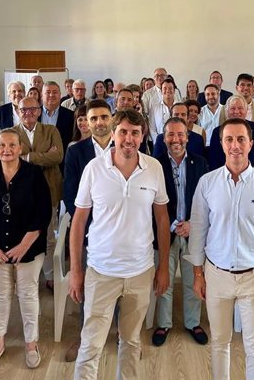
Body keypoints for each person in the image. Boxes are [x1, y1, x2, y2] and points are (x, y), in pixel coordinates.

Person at [69, 110, 171, 380]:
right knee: (91, 345)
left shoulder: (154, 168)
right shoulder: (94, 169)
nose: (129, 138)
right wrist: (77, 272)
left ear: (143, 135)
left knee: (131, 341)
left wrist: (163, 268)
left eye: (135, 133)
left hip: (140, 272)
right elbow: (78, 222)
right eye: (123, 132)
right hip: (101, 271)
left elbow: (162, 220)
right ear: (113, 134)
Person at [187, 118, 254, 380]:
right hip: (216, 276)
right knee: (220, 341)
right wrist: (198, 274)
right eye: (229, 140)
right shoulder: (207, 183)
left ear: (251, 143)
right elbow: (198, 230)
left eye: (241, 139)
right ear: (221, 144)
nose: (235, 146)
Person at [0, 129, 52, 371]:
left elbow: (43, 212)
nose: (6, 150)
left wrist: (25, 244)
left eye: (12, 145)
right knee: (1, 294)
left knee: (28, 294)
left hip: (28, 248)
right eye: (2, 145)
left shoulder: (34, 175)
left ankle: (31, 343)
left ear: (21, 148)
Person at [151, 117, 209, 347]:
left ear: (188, 137)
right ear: (163, 138)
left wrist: (192, 223)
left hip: (192, 231)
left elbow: (205, 200)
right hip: (165, 230)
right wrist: (173, 223)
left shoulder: (201, 163)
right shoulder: (154, 165)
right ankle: (163, 324)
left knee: (193, 278)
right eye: (171, 135)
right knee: (163, 276)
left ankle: (193, 322)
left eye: (180, 134)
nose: (176, 139)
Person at [62, 99, 113, 362]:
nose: (99, 123)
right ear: (86, 123)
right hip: (89, 229)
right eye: (93, 119)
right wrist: (93, 222)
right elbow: (70, 194)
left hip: (119, 231)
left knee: (119, 284)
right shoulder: (76, 152)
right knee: (85, 285)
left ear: (112, 118)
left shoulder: (126, 145)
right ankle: (85, 337)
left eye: (104, 117)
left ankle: (115, 335)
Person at [14, 96, 63, 290]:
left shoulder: (51, 130)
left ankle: (49, 274)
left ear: (39, 110)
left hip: (49, 188)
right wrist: (44, 156)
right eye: (24, 110)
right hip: (23, 193)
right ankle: (27, 278)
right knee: (23, 235)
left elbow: (57, 156)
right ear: (18, 112)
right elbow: (12, 160)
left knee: (49, 236)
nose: (29, 113)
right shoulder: (11, 134)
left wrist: (26, 156)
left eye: (33, 109)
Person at [207, 96, 254, 170]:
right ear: (227, 111)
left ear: (246, 110)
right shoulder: (217, 131)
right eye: (232, 108)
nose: (236, 112)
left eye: (240, 108)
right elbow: (213, 160)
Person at [40, 81, 74, 156]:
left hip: (62, 160)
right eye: (48, 92)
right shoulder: (34, 114)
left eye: (55, 92)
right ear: (42, 95)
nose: (51, 95)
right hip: (37, 161)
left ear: (60, 95)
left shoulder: (71, 115)